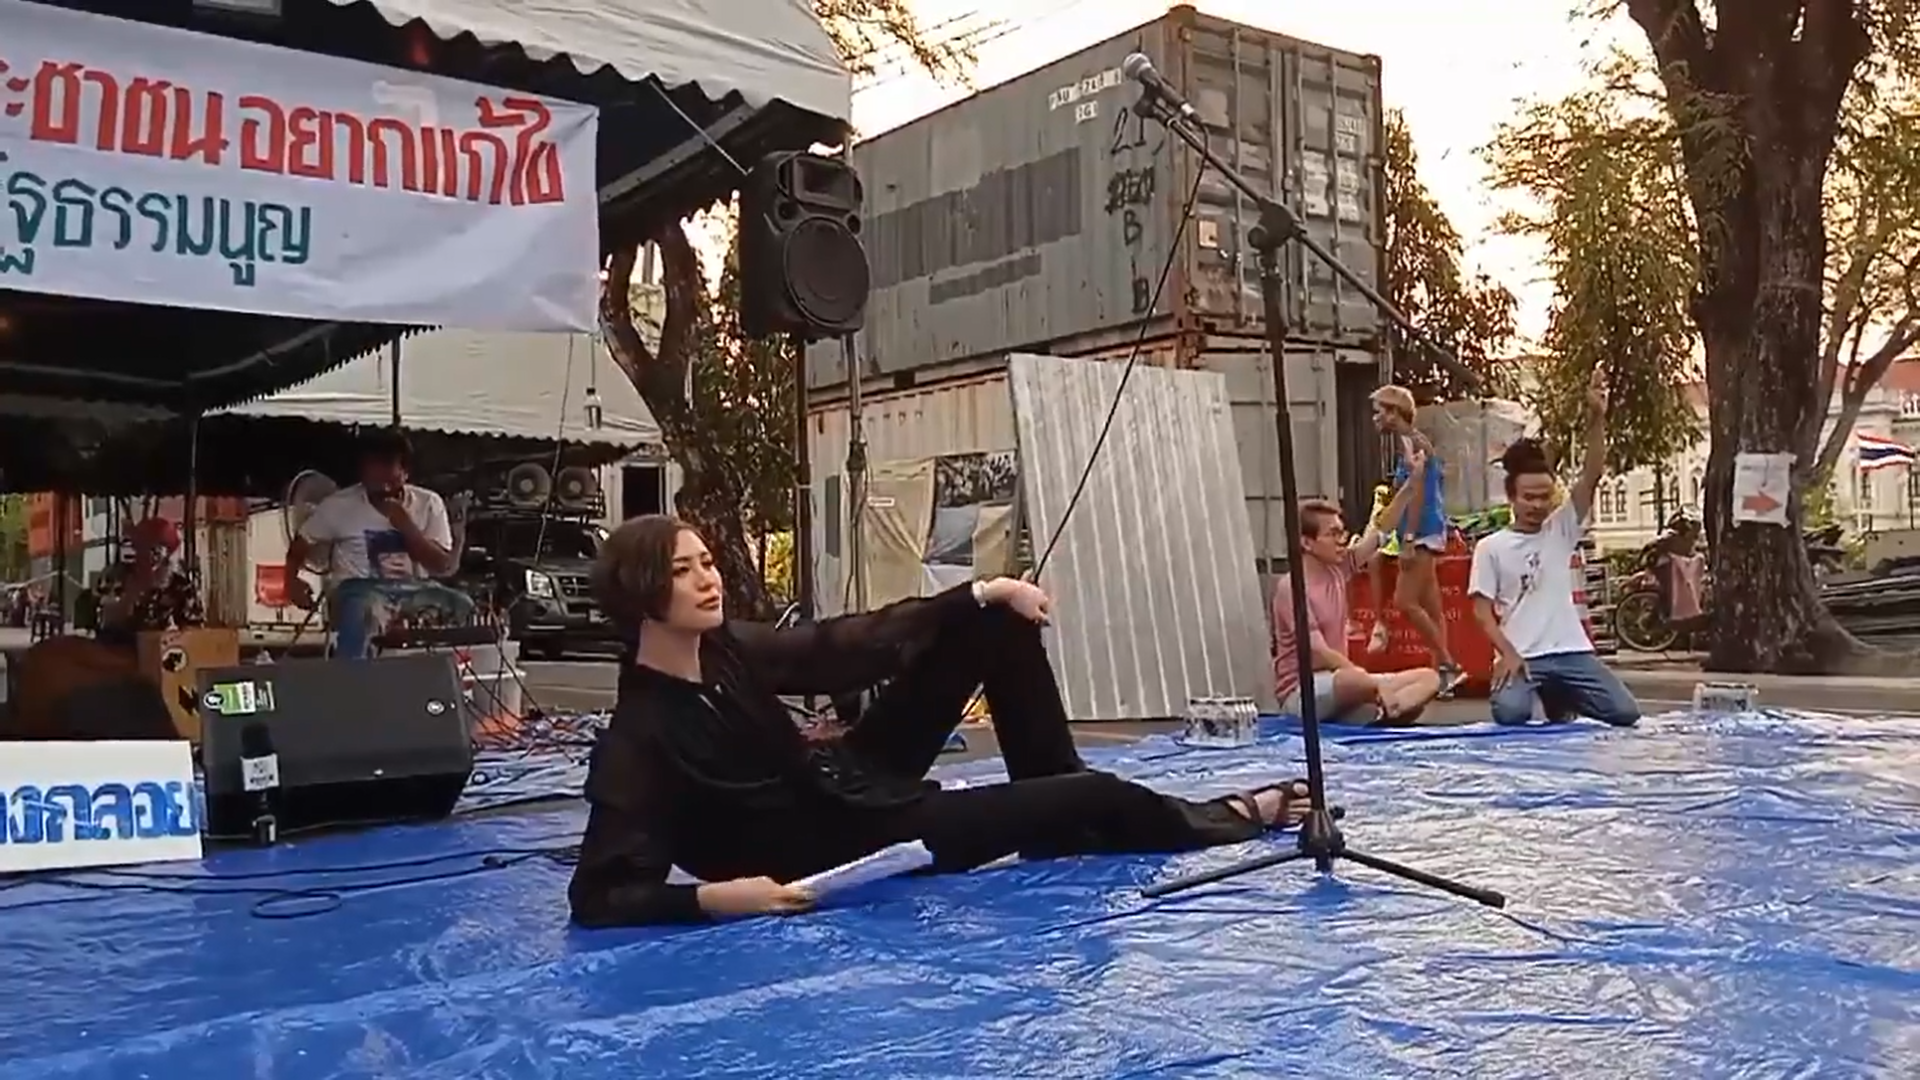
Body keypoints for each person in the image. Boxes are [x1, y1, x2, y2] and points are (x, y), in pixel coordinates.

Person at [568, 515, 1312, 928]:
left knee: (996, 625)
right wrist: (717, 899)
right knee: (1096, 793)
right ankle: (1225, 814)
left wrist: (980, 592)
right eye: (684, 570)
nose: (709, 579)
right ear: (640, 593)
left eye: (707, 562)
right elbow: (600, 896)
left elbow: (839, 647)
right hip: (846, 842)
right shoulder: (639, 735)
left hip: (845, 782)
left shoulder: (726, 650)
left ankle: (1053, 808)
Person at [1469, 369, 1640, 727]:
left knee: (1625, 712)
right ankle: (1544, 694)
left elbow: (1591, 475)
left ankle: (1560, 695)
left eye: (1544, 497)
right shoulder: (1490, 547)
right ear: (1512, 497)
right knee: (1510, 713)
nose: (1537, 505)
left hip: (1571, 652)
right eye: (1529, 497)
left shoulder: (1561, 529)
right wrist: (1507, 654)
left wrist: (1597, 417)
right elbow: (1481, 613)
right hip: (1524, 654)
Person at [1274, 467, 1443, 727]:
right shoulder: (1292, 588)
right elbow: (1319, 653)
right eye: (1332, 534)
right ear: (1307, 543)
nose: (1341, 540)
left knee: (1429, 678)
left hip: (1348, 682)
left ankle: (1384, 710)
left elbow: (1381, 531)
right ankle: (1385, 704)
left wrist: (1410, 486)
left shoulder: (1338, 569)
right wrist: (1366, 680)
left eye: (1342, 532)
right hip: (1304, 692)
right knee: (1352, 680)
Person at [283, 428, 471, 659]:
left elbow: (441, 566)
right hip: (358, 588)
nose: (378, 475)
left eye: (387, 465)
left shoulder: (428, 503)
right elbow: (300, 544)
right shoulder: (338, 505)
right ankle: (352, 675)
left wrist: (407, 527)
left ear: (405, 472)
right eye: (372, 466)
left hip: (415, 588)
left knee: (462, 605)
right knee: (364, 612)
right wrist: (291, 582)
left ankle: (454, 673)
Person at [1369, 385, 1465, 696]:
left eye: (1380, 411)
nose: (1376, 417)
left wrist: (1408, 538)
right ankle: (1444, 676)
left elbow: (1418, 493)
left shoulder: (1413, 443)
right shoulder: (1411, 441)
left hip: (1422, 532)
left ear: (1395, 412)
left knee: (1405, 602)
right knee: (1431, 606)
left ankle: (1449, 664)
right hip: (1426, 529)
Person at [94, 517, 204, 650]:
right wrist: (131, 595)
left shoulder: (181, 587)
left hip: (160, 651)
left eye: (155, 550)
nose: (147, 555)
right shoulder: (115, 576)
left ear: (167, 554)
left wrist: (174, 635)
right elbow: (102, 619)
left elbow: (194, 631)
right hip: (114, 650)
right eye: (142, 546)